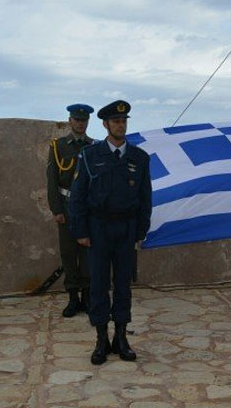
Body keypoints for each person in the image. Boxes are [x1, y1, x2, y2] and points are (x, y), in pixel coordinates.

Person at [68, 99, 152, 365]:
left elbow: (145, 197)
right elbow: (77, 196)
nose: (120, 125)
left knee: (124, 285)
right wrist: (80, 229)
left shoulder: (139, 158)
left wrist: (141, 229)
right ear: (105, 125)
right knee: (99, 285)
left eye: (124, 121)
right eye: (115, 121)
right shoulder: (90, 156)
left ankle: (122, 338)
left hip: (126, 229)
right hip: (98, 228)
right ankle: (101, 339)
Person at [46, 103, 94, 317]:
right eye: (77, 120)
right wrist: (56, 210)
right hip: (66, 207)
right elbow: (52, 181)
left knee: (87, 254)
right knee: (68, 253)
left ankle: (87, 296)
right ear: (70, 121)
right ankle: (73, 298)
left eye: (84, 121)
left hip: (87, 208)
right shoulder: (58, 146)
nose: (80, 123)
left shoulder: (94, 147)